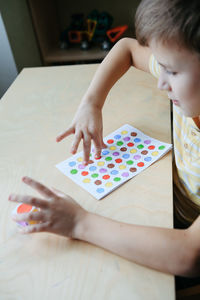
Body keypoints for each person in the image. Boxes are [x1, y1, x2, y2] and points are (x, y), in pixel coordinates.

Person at [9, 0, 200, 283]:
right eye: (160, 67)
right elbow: (126, 47)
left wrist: (79, 222)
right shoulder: (185, 70)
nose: (161, 83)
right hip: (170, 200)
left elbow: (189, 254)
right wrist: (92, 103)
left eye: (171, 71)